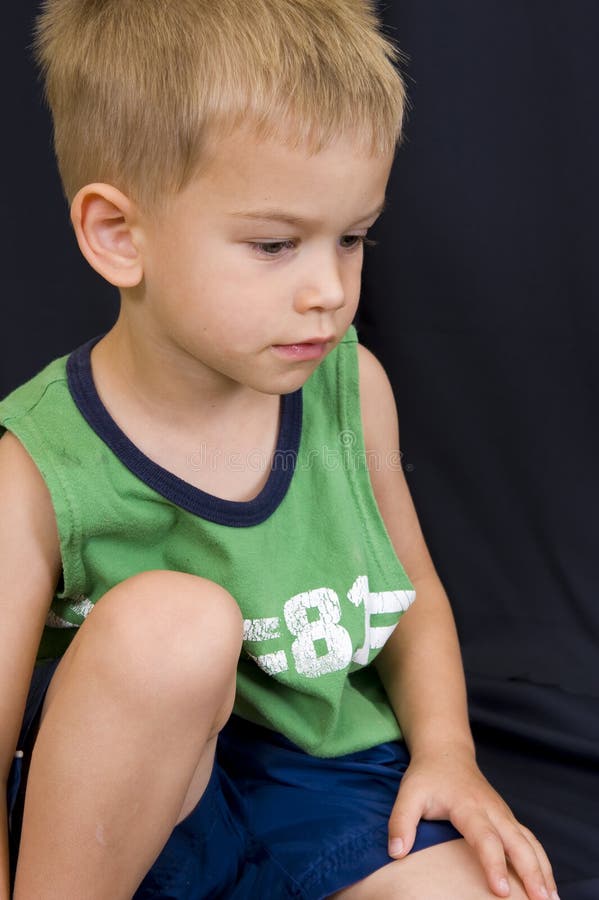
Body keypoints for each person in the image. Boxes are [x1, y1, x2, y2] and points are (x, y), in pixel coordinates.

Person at [0, 1, 558, 898]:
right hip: (128, 819)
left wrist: (449, 753)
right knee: (173, 626)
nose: (328, 291)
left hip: (328, 784)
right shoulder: (34, 463)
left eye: (351, 238)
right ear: (119, 235)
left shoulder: (352, 390)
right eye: (274, 244)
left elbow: (406, 595)